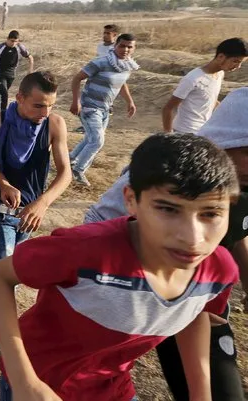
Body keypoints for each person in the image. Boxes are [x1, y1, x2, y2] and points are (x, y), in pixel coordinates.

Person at [0, 132, 239, 401]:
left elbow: (195, 312)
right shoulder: (85, 250)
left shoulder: (219, 270)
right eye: (167, 209)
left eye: (210, 213)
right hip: (42, 384)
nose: (192, 237)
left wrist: (201, 393)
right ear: (130, 200)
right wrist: (24, 381)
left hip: (112, 388)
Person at [85, 89, 248, 401]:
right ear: (226, 141)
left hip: (197, 298)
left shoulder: (220, 263)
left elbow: (237, 232)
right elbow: (97, 226)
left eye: (211, 213)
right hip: (137, 290)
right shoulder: (165, 174)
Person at [0, 72, 72, 306]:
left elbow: (66, 173)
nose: (45, 113)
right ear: (20, 97)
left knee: (9, 256)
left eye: (50, 106)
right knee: (9, 265)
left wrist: (42, 204)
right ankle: (4, 330)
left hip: (30, 211)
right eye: (38, 105)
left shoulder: (55, 124)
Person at [69, 33, 138, 187]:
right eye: (122, 45)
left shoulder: (126, 65)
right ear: (115, 45)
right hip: (89, 107)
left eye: (129, 47)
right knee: (97, 141)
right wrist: (76, 101)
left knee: (90, 138)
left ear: (134, 49)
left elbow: (122, 84)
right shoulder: (101, 62)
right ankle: (78, 170)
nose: (125, 49)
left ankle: (71, 158)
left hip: (105, 109)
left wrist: (130, 102)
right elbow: (77, 78)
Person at [162, 37, 248, 135]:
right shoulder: (193, 78)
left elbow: (210, 99)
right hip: (185, 133)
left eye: (241, 63)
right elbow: (168, 108)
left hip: (203, 131)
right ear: (221, 57)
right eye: (236, 61)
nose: (238, 66)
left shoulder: (219, 74)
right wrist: (169, 135)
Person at [0, 30, 34, 112]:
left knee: (0, 95)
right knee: (4, 94)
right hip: (0, 74)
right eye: (12, 41)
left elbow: (30, 58)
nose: (13, 43)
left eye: (16, 41)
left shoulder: (20, 47)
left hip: (11, 76)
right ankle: (3, 117)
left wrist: (30, 70)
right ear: (7, 39)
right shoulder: (0, 47)